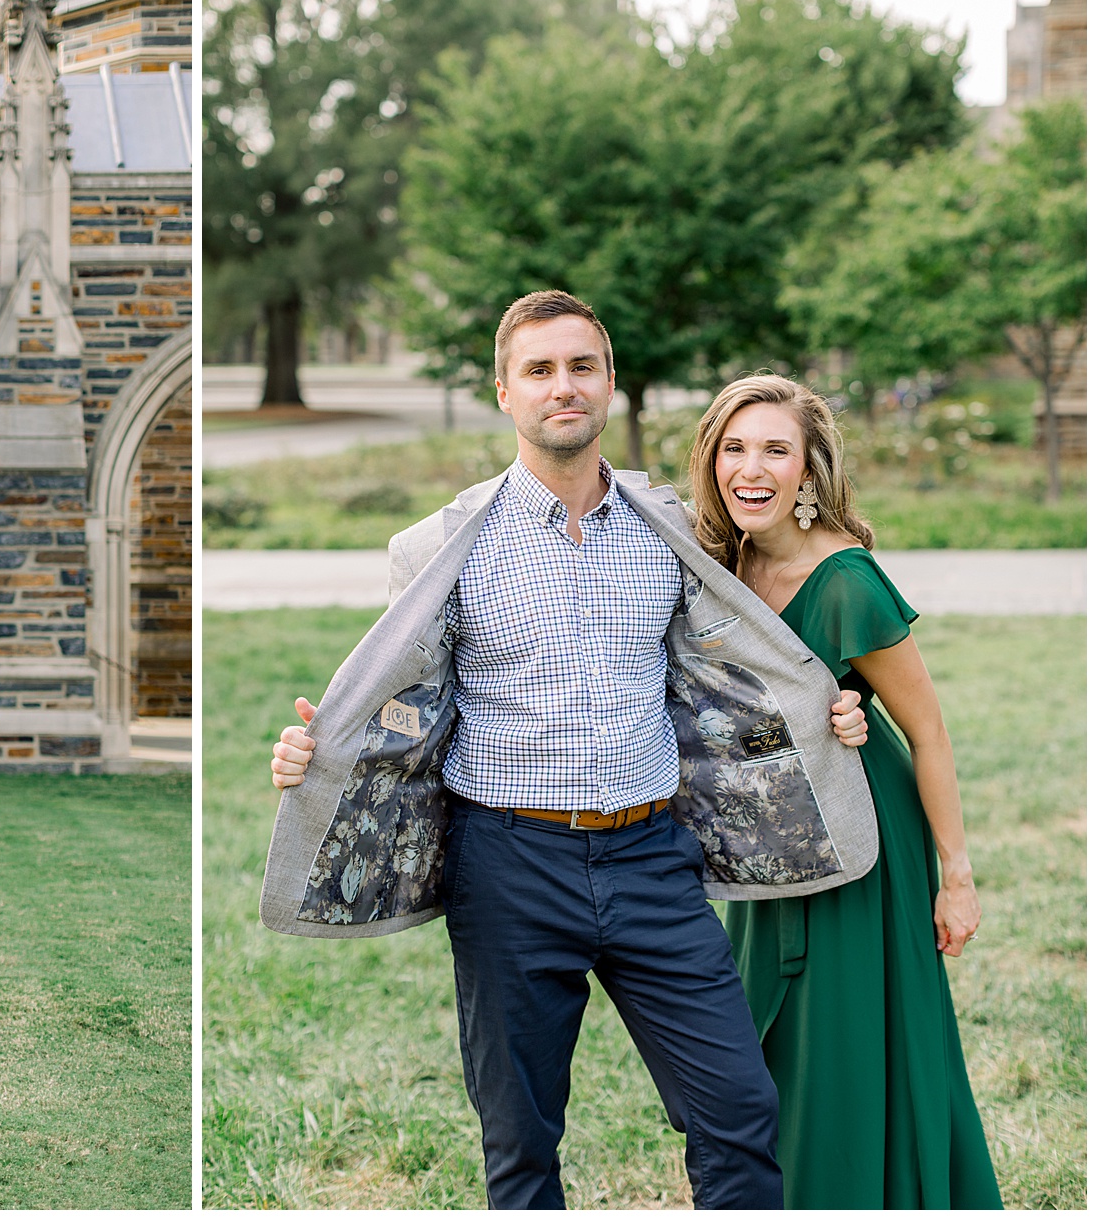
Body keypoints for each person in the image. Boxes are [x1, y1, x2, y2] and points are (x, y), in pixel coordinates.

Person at [263, 289, 876, 1209]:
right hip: (508, 865)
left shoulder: (669, 528)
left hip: (650, 858)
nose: (564, 387)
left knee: (739, 1110)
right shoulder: (440, 547)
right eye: (540, 370)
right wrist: (316, 753)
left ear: (609, 383)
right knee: (520, 1142)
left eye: (581, 367)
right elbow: (400, 701)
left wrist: (831, 711)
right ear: (504, 392)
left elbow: (740, 657)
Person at [689, 374, 1002, 1209]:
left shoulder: (850, 581)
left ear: (809, 471)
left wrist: (958, 876)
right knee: (774, 1048)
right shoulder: (725, 561)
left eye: (775, 450)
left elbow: (927, 731)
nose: (750, 469)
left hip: (864, 842)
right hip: (768, 839)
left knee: (851, 1037)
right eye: (734, 447)